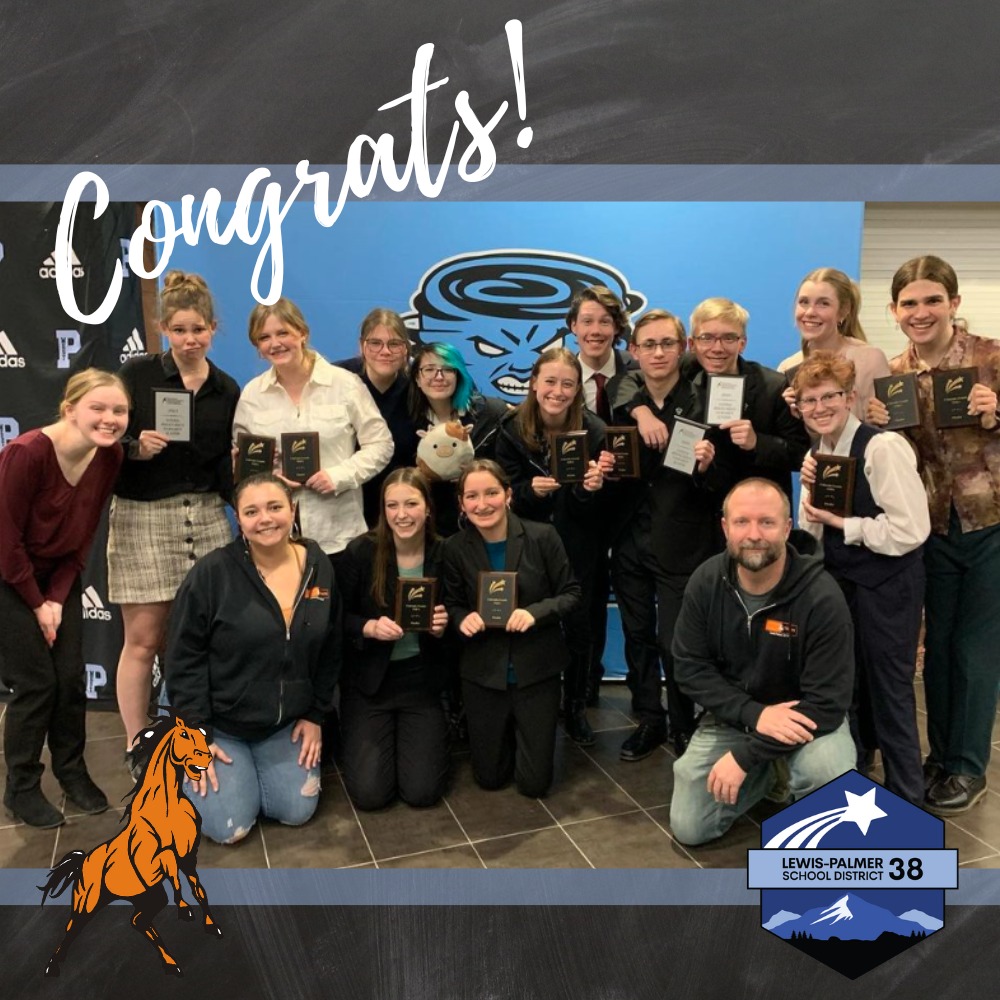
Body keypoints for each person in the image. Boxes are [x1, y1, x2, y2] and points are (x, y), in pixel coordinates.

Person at [867, 255, 1000, 815]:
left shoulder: (992, 358)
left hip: (991, 522)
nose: (921, 313)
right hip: (931, 528)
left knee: (974, 649)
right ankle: (940, 758)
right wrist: (875, 426)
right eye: (910, 304)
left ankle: (968, 766)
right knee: (938, 648)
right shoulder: (893, 376)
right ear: (895, 311)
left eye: (931, 301)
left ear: (954, 303)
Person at [669, 478, 856, 846]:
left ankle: (775, 767)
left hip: (807, 721)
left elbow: (829, 703)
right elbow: (689, 669)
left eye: (767, 523)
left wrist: (745, 755)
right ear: (725, 527)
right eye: (742, 522)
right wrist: (753, 715)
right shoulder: (705, 582)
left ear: (787, 528)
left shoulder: (822, 597)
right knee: (690, 827)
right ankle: (771, 774)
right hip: (735, 717)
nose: (753, 534)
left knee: (829, 775)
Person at [164, 473, 341, 844]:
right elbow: (183, 657)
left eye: (275, 507)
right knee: (231, 827)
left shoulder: (318, 564)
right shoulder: (212, 573)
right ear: (238, 519)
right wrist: (196, 731)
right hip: (219, 723)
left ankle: (253, 770)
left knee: (296, 811)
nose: (265, 519)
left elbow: (331, 645)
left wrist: (315, 714)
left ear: (292, 510)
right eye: (252, 511)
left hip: (283, 721)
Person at [109, 271, 240, 767]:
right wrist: (133, 449)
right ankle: (137, 743)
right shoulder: (136, 377)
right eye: (180, 329)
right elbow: (103, 441)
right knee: (143, 641)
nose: (190, 339)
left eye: (199, 329)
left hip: (206, 516)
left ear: (213, 329)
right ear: (164, 328)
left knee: (204, 636)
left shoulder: (227, 389)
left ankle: (198, 729)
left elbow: (224, 470)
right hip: (143, 517)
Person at [794, 353, 930, 805]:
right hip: (841, 586)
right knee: (848, 689)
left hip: (888, 586)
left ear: (850, 397)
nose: (819, 407)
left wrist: (843, 524)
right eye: (809, 400)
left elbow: (910, 531)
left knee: (890, 693)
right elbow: (811, 530)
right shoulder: (817, 452)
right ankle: (856, 793)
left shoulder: (881, 447)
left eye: (829, 396)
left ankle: (907, 798)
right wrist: (810, 494)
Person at [0, 369, 129, 828]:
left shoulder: (108, 457)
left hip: (57, 579)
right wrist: (37, 603)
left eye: (119, 410)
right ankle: (21, 788)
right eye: (98, 407)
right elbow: (7, 542)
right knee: (37, 685)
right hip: (8, 578)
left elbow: (83, 537)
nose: (109, 418)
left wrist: (55, 598)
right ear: (70, 409)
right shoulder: (27, 453)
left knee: (70, 679)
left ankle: (72, 774)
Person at [606, 310, 734, 761]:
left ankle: (684, 724)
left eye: (666, 344)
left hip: (685, 541)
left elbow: (727, 476)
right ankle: (649, 719)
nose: (657, 352)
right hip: (628, 539)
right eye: (648, 345)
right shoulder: (623, 395)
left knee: (677, 642)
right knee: (637, 636)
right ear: (634, 352)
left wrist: (706, 466)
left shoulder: (709, 399)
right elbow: (611, 397)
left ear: (683, 348)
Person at [495, 348, 614, 745]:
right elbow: (504, 490)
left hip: (578, 543)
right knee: (528, 621)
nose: (557, 391)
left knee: (579, 626)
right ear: (533, 383)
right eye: (550, 381)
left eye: (567, 383)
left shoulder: (594, 430)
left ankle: (576, 704)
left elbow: (594, 508)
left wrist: (589, 487)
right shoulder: (511, 427)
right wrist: (530, 490)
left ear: (577, 388)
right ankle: (528, 699)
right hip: (527, 543)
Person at [441, 460, 581, 798]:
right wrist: (463, 618)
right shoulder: (454, 548)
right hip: (483, 671)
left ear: (507, 495)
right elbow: (452, 602)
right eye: (472, 496)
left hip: (536, 669)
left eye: (491, 493)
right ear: (461, 503)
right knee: (489, 778)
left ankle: (528, 737)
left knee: (534, 785)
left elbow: (571, 594)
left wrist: (535, 613)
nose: (482, 504)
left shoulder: (542, 536)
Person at [233, 296, 394, 570]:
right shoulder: (252, 395)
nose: (275, 343)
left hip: (340, 535)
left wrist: (339, 476)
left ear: (303, 333)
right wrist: (267, 477)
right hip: (276, 540)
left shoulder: (344, 384)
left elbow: (381, 444)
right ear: (258, 347)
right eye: (264, 337)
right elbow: (243, 462)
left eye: (283, 332)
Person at [338, 468, 450, 809]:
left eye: (411, 504)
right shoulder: (360, 552)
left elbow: (461, 616)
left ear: (428, 507)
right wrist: (368, 628)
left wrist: (444, 626)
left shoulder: (445, 553)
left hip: (421, 682)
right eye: (392, 505)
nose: (402, 514)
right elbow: (337, 619)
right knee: (370, 796)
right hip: (370, 685)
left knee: (422, 793)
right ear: (383, 510)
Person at [567, 285, 639, 704]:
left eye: (605, 322)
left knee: (635, 607)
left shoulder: (636, 369)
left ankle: (643, 695)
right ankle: (584, 690)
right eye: (587, 321)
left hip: (632, 507)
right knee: (584, 604)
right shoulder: (557, 373)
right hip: (581, 509)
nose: (596, 330)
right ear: (573, 326)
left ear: (617, 327)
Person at [684, 297, 810, 502]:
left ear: (742, 343)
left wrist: (757, 442)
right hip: (699, 511)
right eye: (706, 338)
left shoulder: (773, 386)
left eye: (729, 338)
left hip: (758, 507)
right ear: (692, 344)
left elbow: (800, 454)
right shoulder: (683, 381)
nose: (717, 348)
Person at [409, 341, 509, 536]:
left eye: (448, 369)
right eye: (429, 369)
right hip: (430, 528)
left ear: (459, 375)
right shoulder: (408, 423)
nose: (439, 377)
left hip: (484, 522)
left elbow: (508, 467)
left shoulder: (491, 413)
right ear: (417, 378)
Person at [334, 308, 419, 528]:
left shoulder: (418, 388)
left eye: (394, 344)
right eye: (375, 343)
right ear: (362, 345)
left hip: (401, 509)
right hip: (345, 504)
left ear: (406, 349)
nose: (385, 351)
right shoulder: (337, 380)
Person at [778, 267, 890, 421]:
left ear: (843, 311)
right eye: (804, 302)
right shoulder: (786, 368)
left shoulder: (869, 359)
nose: (810, 312)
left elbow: (889, 427)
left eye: (823, 303)